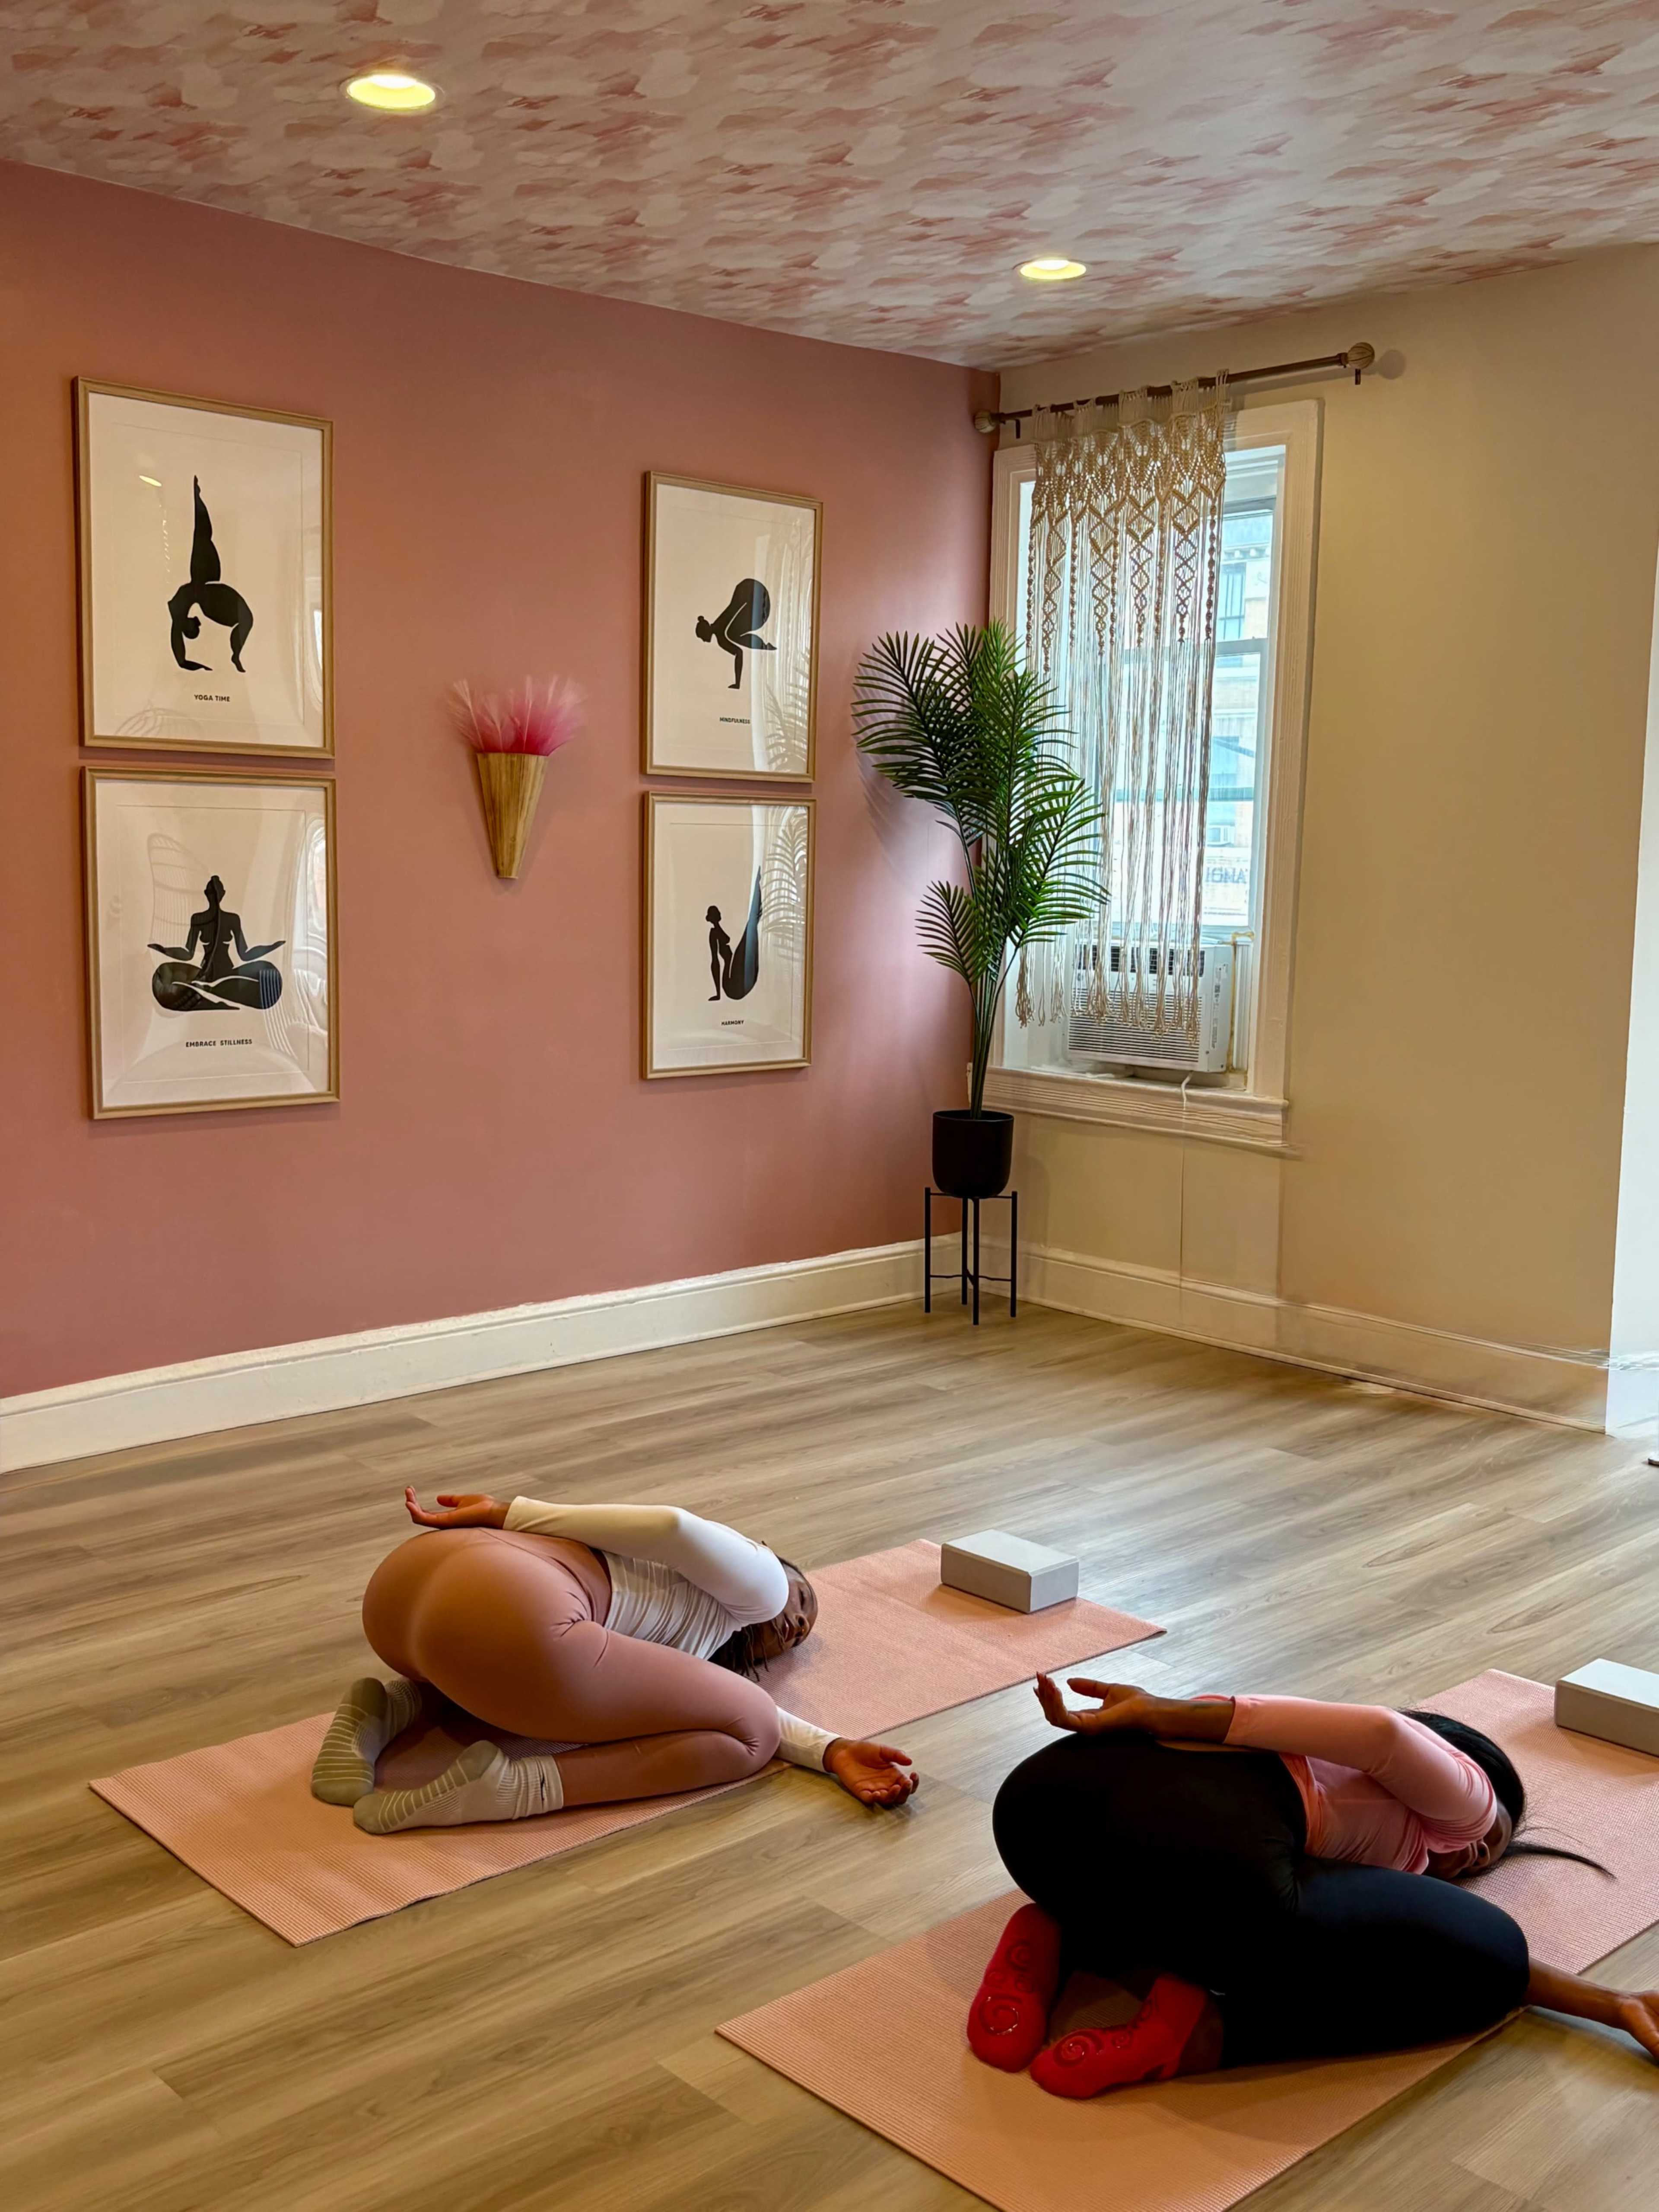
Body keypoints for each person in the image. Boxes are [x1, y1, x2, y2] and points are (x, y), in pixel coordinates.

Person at [969, 1675, 1659, 2097]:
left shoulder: (1340, 1816)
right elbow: (1385, 1731)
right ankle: (1210, 2032)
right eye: (1494, 1846)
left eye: (1484, 1864)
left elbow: (1399, 1919)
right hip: (1211, 1839)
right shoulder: (1472, 1808)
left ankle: (1064, 1930)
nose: (1474, 1861)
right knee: (1486, 1956)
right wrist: (1162, 1709)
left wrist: (1615, 1998)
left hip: (1038, 1819)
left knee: (1238, 1900)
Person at [311, 1490, 917, 1833]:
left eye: (800, 1632)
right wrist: (509, 1510)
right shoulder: (760, 1584)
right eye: (804, 1598)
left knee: (531, 1679)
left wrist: (833, 1749)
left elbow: (709, 1698)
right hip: (511, 1601)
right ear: (775, 1564)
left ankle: (389, 1709)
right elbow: (673, 1525)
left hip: (400, 1593)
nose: (795, 1622)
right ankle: (510, 1788)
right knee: (751, 1733)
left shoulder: (681, 1635)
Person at [148, 875, 284, 1012]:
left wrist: (271, 947)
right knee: (162, 976)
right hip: (205, 973)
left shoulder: (233, 919)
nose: (214, 896)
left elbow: (245, 955)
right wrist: (164, 950)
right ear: (207, 895)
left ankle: (209, 990)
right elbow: (188, 954)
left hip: (228, 971)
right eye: (212, 893)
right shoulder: (197, 919)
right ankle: (211, 990)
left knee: (269, 972)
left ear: (222, 895)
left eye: (216, 893)